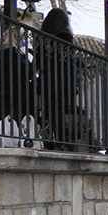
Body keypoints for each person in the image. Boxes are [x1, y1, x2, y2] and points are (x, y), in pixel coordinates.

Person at [37, 8, 76, 150]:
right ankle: (61, 141)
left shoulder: (42, 39)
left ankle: (49, 140)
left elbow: (38, 61)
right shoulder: (66, 38)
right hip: (64, 82)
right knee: (61, 112)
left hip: (48, 81)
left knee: (49, 111)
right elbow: (71, 61)